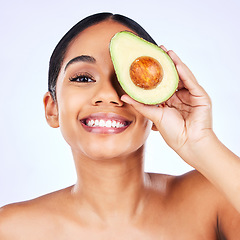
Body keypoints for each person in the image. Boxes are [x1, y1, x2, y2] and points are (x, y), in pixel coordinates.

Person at [0, 12, 240, 239]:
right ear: (52, 108)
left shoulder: (216, 198)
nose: (107, 94)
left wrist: (200, 143)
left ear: (159, 101)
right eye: (83, 78)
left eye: (129, 78)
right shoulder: (12, 229)